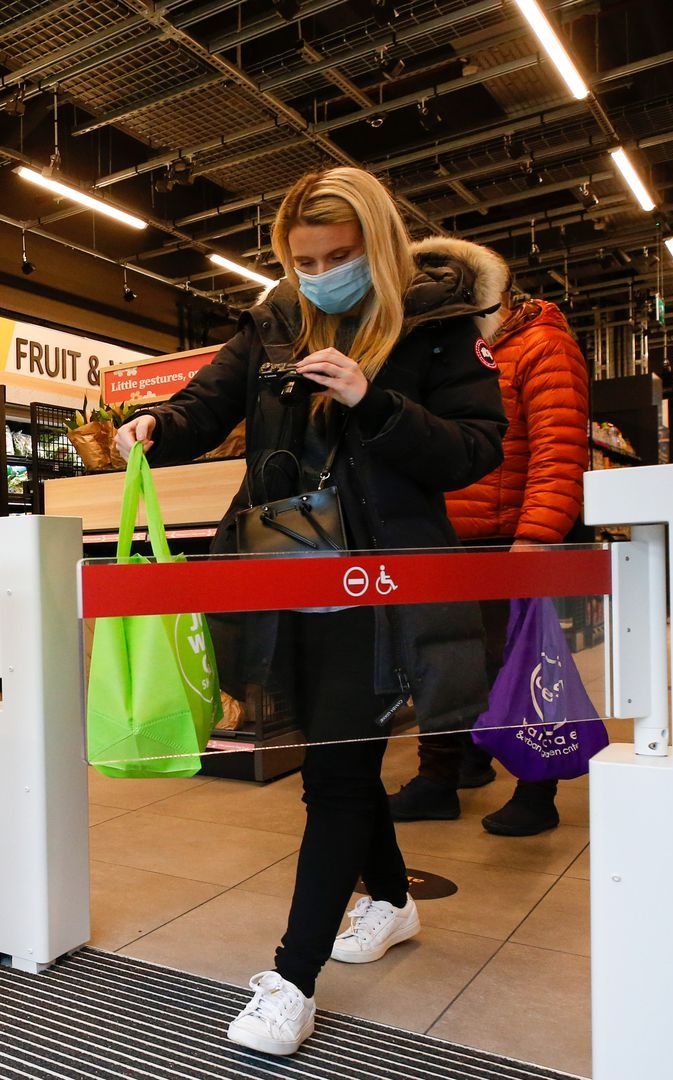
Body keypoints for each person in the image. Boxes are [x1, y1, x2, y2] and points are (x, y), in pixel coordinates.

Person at [117, 167, 505, 1057]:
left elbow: (475, 450)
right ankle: (395, 901)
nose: (319, 271)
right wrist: (156, 428)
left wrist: (375, 401)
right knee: (339, 753)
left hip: (377, 582)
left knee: (332, 773)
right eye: (302, 258)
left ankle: (291, 979)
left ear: (378, 241)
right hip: (282, 571)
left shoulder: (439, 325)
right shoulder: (275, 320)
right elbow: (205, 404)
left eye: (338, 255)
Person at [389, 274, 590, 837]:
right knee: (442, 661)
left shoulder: (541, 343)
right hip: (442, 534)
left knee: (522, 664)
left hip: (508, 537)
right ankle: (446, 775)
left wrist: (539, 538)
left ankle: (537, 787)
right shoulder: (444, 349)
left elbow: (560, 447)